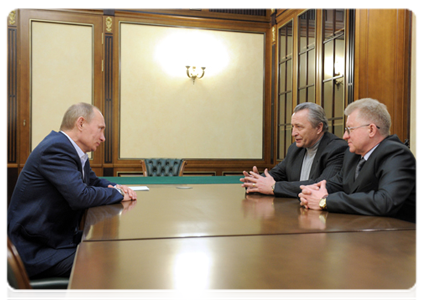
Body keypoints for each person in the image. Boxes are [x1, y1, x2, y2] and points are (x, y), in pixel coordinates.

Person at [5, 103, 137, 279]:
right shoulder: (56, 149)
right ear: (80, 123)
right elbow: (80, 197)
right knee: (102, 262)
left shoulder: (73, 151)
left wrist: (118, 188)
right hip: (33, 248)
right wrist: (119, 195)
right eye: (100, 129)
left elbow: (94, 181)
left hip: (53, 238)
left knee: (110, 244)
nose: (103, 138)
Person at [299, 98, 420, 224]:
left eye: (350, 129)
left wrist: (325, 201)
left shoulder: (397, 154)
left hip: (403, 234)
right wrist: (312, 192)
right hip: (363, 228)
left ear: (371, 130)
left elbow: (385, 201)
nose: (345, 136)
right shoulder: (353, 154)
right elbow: (339, 183)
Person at [241, 102, 348, 198]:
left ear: (319, 128)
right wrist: (256, 182)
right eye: (292, 127)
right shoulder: (295, 149)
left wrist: (274, 187)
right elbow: (276, 173)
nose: (293, 133)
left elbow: (321, 185)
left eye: (299, 127)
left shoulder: (337, 149)